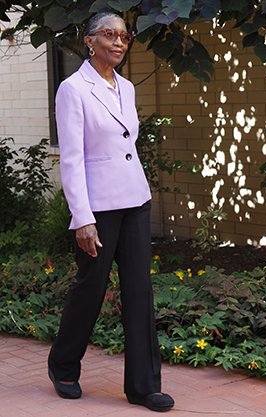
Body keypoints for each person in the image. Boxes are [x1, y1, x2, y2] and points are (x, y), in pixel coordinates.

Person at [47, 12, 174, 413]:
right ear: (90, 41)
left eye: (124, 36)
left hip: (134, 200)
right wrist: (81, 216)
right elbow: (71, 158)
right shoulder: (73, 88)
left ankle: (143, 386)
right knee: (91, 288)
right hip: (98, 207)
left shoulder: (127, 87)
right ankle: (63, 365)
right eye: (109, 35)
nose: (119, 42)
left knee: (139, 291)